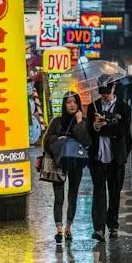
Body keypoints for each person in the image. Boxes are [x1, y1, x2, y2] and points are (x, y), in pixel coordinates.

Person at [87, 74, 132, 241]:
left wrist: (105, 126)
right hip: (97, 158)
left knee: (114, 193)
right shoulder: (94, 107)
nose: (104, 95)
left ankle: (112, 225)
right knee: (99, 193)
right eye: (101, 92)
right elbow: (88, 132)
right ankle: (98, 228)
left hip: (116, 158)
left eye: (107, 91)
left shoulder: (124, 108)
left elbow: (123, 132)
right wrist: (95, 127)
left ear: (114, 89)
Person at [41, 91, 89, 243]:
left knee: (73, 195)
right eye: (68, 102)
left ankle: (68, 227)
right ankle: (59, 229)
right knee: (59, 197)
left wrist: (80, 122)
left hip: (75, 163)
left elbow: (86, 141)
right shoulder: (57, 121)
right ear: (64, 104)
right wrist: (58, 138)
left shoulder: (83, 121)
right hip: (58, 163)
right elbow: (46, 141)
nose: (72, 105)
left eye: (74, 102)